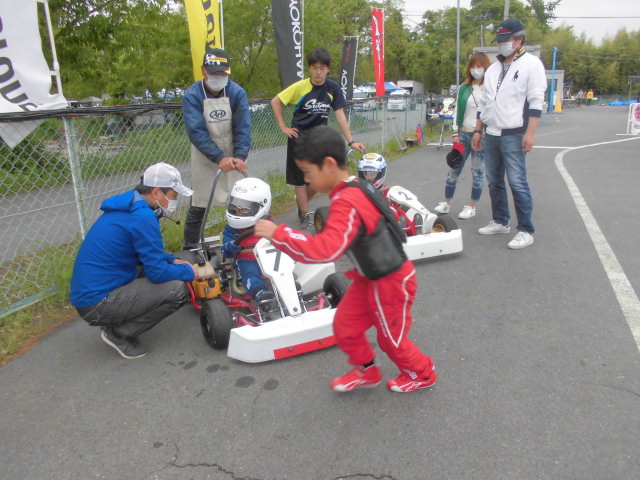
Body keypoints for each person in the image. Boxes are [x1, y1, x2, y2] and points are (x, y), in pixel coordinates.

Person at [254, 126, 436, 393]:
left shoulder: (347, 201)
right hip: (369, 277)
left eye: (308, 172)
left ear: (328, 165)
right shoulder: (351, 189)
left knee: (391, 340)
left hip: (392, 281)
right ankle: (367, 370)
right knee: (345, 325)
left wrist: (278, 233)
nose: (306, 180)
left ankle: (422, 373)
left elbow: (325, 250)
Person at [70, 163, 199, 359]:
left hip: (93, 291)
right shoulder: (143, 217)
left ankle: (118, 316)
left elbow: (146, 252)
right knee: (178, 289)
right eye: (173, 195)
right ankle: (119, 334)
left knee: (171, 266)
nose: (175, 200)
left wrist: (172, 260)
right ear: (157, 192)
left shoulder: (131, 205)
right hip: (95, 304)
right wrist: (190, 272)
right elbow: (157, 273)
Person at [270, 47, 366, 229]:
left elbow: (340, 115)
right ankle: (304, 214)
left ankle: (301, 202)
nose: (318, 72)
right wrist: (283, 127)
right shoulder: (300, 87)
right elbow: (275, 101)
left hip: (319, 141)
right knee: (299, 181)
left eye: (322, 68)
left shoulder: (333, 88)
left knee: (321, 179)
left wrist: (351, 141)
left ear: (328, 69)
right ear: (310, 69)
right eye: (315, 68)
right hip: (298, 139)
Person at [471, 18, 546, 250]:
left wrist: (530, 133)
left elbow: (536, 101)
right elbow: (485, 102)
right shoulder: (493, 69)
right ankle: (500, 220)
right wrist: (478, 130)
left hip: (514, 132)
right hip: (491, 132)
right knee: (494, 180)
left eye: (506, 39)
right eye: (499, 40)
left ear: (519, 40)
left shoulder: (531, 64)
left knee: (517, 181)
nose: (501, 44)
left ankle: (525, 230)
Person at [182, 48, 251, 249]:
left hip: (233, 150)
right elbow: (196, 131)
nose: (218, 77)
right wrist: (218, 157)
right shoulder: (192, 95)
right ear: (203, 71)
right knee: (200, 201)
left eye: (222, 72)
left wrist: (240, 156)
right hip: (205, 154)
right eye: (214, 72)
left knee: (241, 199)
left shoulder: (237, 93)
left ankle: (244, 240)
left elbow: (243, 128)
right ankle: (191, 246)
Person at [434, 52, 492, 219]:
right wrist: (455, 133)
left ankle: (472, 206)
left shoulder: (490, 88)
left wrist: (483, 132)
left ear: (485, 67)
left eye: (479, 66)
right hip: (463, 133)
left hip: (481, 135)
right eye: (473, 66)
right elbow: (457, 111)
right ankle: (446, 202)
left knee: (477, 171)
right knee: (454, 168)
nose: (476, 69)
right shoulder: (464, 88)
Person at [220, 177, 274, 310]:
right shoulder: (231, 230)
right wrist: (232, 246)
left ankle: (291, 285)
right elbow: (224, 250)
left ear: (261, 207)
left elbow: (279, 239)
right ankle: (260, 293)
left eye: (244, 209)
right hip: (246, 259)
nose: (238, 212)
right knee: (250, 272)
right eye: (235, 207)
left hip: (269, 256)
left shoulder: (267, 224)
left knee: (284, 265)